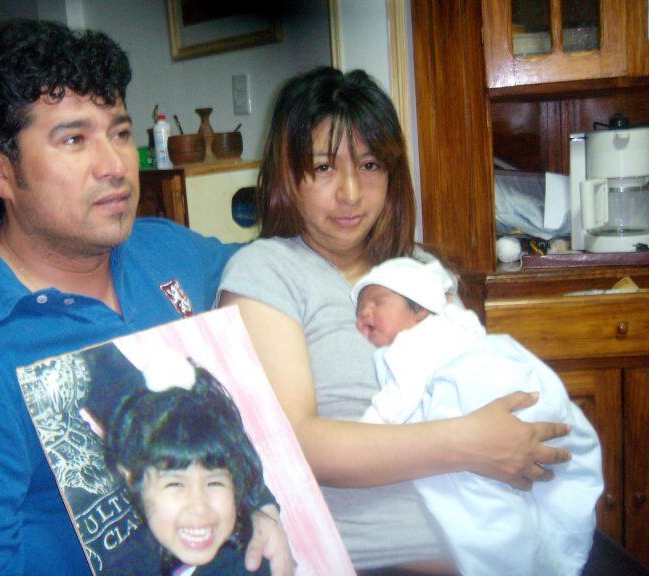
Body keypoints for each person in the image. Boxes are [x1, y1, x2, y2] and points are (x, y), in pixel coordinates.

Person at [0, 19, 292, 576]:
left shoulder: (168, 251)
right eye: (74, 140)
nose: (116, 165)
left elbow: (279, 272)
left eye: (119, 133)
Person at [217, 66, 574, 574]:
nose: (350, 192)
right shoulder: (265, 272)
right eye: (323, 167)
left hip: (493, 532)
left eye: (369, 165)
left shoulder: (420, 270)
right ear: (287, 175)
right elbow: (295, 444)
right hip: (377, 558)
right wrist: (469, 444)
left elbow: (473, 377)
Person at [352, 256, 603, 575]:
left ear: (420, 309)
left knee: (481, 507)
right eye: (359, 309)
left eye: (378, 302)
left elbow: (397, 400)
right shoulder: (456, 325)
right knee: (540, 491)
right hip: (513, 407)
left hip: (488, 393)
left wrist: (365, 432)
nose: (365, 312)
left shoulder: (415, 343)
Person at [104, 358, 271, 576]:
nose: (199, 506)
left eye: (214, 483)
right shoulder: (125, 564)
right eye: (175, 484)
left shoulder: (249, 562)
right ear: (132, 478)